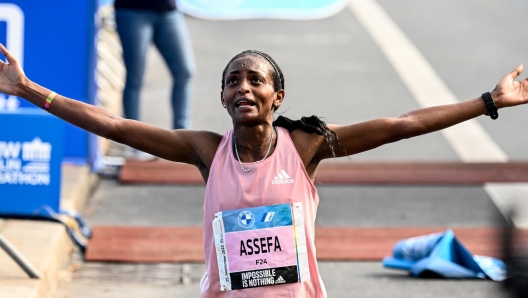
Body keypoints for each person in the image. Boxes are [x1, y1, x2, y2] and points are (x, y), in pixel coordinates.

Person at [0, 45, 526, 297]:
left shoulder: (306, 146)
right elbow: (114, 125)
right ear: (224, 96)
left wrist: (488, 101)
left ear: (278, 97)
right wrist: (29, 91)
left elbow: (402, 124)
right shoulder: (208, 151)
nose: (243, 87)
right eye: (233, 81)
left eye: (256, 80)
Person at [114, 0, 195, 158]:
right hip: (132, 11)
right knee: (135, 77)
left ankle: (183, 139)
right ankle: (133, 144)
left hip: (168, 11)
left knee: (185, 72)